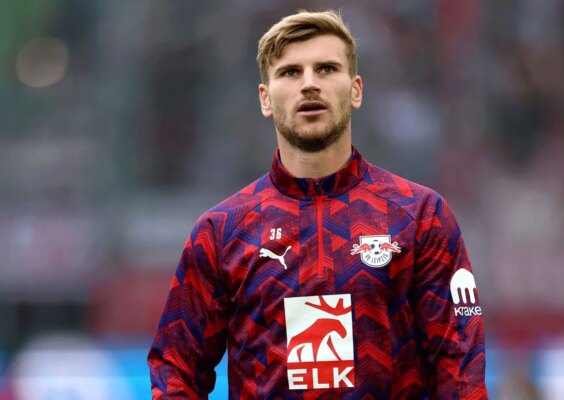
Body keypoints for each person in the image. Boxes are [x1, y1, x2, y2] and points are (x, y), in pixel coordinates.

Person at [148, 10, 488, 399]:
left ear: (356, 90)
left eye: (326, 69)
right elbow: (175, 370)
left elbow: (460, 372)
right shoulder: (221, 233)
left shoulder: (421, 216)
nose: (309, 84)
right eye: (290, 72)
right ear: (265, 99)